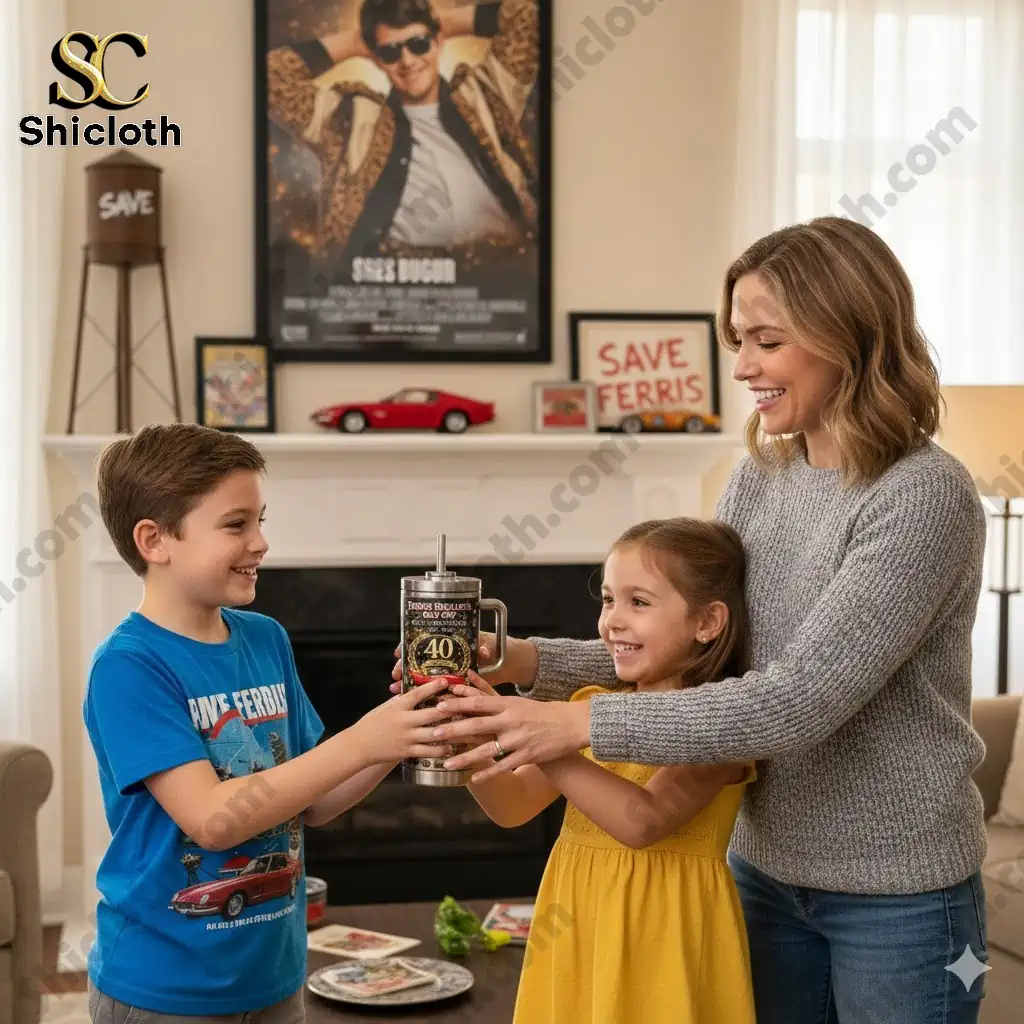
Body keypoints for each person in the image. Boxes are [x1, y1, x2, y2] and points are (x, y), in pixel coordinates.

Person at [408, 216, 992, 1023]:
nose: (744, 366)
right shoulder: (761, 479)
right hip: (760, 870)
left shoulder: (923, 495)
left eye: (766, 341)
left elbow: (797, 701)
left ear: (845, 334)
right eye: (738, 339)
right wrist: (520, 662)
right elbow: (695, 649)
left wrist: (569, 729)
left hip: (898, 895)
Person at [84, 424, 451, 1023]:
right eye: (236, 525)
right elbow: (212, 820)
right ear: (154, 540)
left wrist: (401, 731)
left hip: (275, 976)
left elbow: (317, 801)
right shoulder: (129, 667)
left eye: (261, 520)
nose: (261, 543)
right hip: (163, 990)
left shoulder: (265, 638)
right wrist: (362, 739)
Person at [461, 517, 757, 1023]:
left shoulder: (720, 728)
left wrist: (542, 735)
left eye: (639, 602)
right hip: (579, 929)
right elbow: (512, 806)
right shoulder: (588, 707)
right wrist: (470, 732)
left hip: (665, 945)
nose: (613, 620)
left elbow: (643, 822)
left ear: (707, 622)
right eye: (608, 599)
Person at [266, 0, 539, 257]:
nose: (407, 61)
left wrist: (439, 23)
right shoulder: (350, 120)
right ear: (376, 59)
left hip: (500, 275)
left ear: (439, 42)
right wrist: (357, 41)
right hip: (394, 283)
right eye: (390, 51)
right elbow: (272, 77)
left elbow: (527, 16)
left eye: (419, 44)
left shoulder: (485, 96)